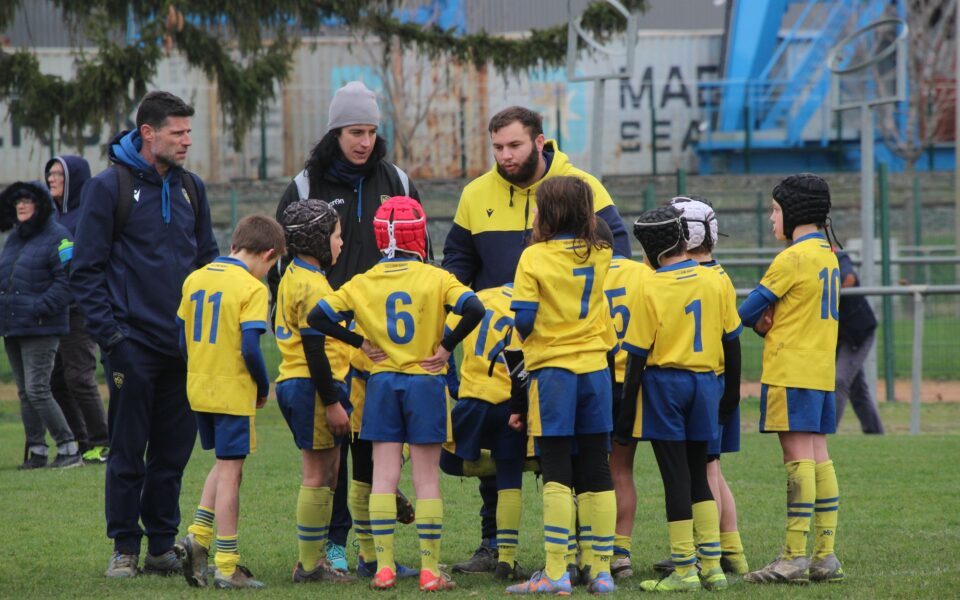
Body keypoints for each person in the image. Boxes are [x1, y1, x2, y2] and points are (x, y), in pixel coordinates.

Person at [442, 105, 631, 575]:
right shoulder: (475, 194)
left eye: (514, 146)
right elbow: (456, 264)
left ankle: (567, 559)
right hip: (500, 354)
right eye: (498, 148)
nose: (505, 156)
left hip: (548, 354)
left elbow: (621, 254)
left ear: (540, 140)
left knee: (562, 459)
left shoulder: (580, 184)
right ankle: (498, 549)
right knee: (501, 456)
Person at [270, 80, 419, 572]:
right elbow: (282, 261)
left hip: (380, 339)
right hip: (329, 342)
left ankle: (368, 549)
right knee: (331, 451)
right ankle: (332, 545)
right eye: (356, 131)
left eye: (372, 132)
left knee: (371, 446)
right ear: (335, 132)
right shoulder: (306, 186)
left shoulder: (395, 180)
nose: (365, 142)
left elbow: (423, 256)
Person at [71, 90, 219, 578]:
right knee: (129, 451)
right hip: (131, 346)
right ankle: (124, 548)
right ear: (148, 133)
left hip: (184, 348)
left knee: (173, 454)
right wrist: (113, 340)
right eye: (178, 133)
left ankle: (159, 545)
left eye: (188, 132)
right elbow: (86, 271)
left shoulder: (192, 188)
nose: (186, 141)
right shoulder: (107, 188)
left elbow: (207, 266)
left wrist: (206, 333)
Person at [308, 196, 484, 592]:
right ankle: (429, 571)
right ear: (419, 233)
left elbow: (317, 317)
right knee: (425, 480)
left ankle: (384, 568)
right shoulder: (437, 278)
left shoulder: (363, 281)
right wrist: (446, 346)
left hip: (382, 385)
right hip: (425, 382)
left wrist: (359, 342)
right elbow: (474, 308)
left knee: (383, 477)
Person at [504, 176, 618, 595]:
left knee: (556, 468)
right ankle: (600, 570)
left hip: (553, 371)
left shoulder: (533, 257)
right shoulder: (601, 252)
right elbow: (603, 234)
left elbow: (524, 321)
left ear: (545, 214)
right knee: (596, 466)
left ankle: (556, 573)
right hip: (595, 370)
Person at [623, 205, 742, 593]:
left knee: (675, 477)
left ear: (649, 251)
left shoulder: (649, 286)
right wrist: (732, 395)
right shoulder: (714, 280)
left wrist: (626, 415)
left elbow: (637, 355)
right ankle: (713, 566)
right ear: (680, 238)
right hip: (707, 384)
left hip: (665, 386)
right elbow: (732, 342)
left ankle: (685, 568)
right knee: (699, 473)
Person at [738, 173, 845, 584]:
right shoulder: (828, 254)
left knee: (797, 459)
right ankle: (825, 555)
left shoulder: (792, 258)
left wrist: (762, 321)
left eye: (776, 210)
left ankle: (793, 557)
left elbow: (748, 311)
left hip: (790, 370)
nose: (771, 218)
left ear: (795, 212)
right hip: (819, 369)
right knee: (819, 456)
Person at [175, 215, 283, 589]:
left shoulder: (195, 278)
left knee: (224, 465)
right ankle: (227, 566)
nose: (268, 273)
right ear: (268, 253)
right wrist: (262, 385)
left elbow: (182, 341)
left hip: (199, 388)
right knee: (232, 475)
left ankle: (197, 538)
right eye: (271, 265)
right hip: (232, 390)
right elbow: (251, 347)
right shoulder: (252, 289)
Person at [272, 199, 356, 584]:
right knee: (316, 473)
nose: (341, 243)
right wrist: (334, 401)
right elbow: (313, 350)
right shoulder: (308, 284)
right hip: (311, 385)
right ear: (318, 240)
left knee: (331, 472)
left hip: (308, 384)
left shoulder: (299, 274)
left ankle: (314, 558)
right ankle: (309, 566)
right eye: (337, 235)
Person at [438, 282, 529, 582]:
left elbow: (444, 338)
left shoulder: (476, 297)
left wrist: (454, 385)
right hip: (510, 402)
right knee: (510, 477)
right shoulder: (527, 300)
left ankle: (399, 456)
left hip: (473, 399)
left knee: (444, 457)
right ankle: (507, 559)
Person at [0, 181, 80, 469]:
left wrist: (38, 308)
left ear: (41, 204)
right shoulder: (14, 239)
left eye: (27, 200)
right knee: (24, 391)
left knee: (37, 389)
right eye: (17, 201)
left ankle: (69, 448)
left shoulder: (59, 237)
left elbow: (68, 281)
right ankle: (37, 451)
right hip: (13, 326)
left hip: (41, 326)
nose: (20, 205)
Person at [595, 221, 652, 580]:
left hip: (592, 377)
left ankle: (587, 550)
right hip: (630, 382)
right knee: (621, 469)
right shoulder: (642, 274)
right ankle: (621, 553)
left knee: (584, 471)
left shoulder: (584, 272)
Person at [44, 155, 110, 464]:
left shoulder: (85, 216)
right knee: (57, 380)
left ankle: (103, 442)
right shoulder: (52, 219)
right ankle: (83, 442)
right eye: (50, 174)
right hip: (54, 312)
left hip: (80, 309)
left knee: (80, 377)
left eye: (58, 174)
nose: (52, 179)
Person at [835, 250, 884, 434]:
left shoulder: (838, 257)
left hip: (857, 334)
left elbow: (849, 279)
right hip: (838, 336)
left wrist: (828, 292)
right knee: (857, 388)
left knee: (839, 381)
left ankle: (827, 434)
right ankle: (875, 433)